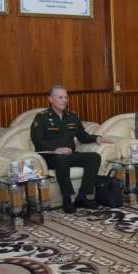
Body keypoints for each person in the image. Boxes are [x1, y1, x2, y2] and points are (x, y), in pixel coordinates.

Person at [30, 85, 111, 213]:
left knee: (94, 157)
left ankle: (82, 196)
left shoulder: (72, 116)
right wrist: (56, 150)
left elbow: (82, 136)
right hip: (51, 156)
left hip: (69, 154)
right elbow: (38, 141)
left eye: (66, 97)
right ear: (50, 99)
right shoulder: (41, 117)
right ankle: (67, 199)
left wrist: (96, 138)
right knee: (61, 158)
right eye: (60, 97)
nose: (64, 100)